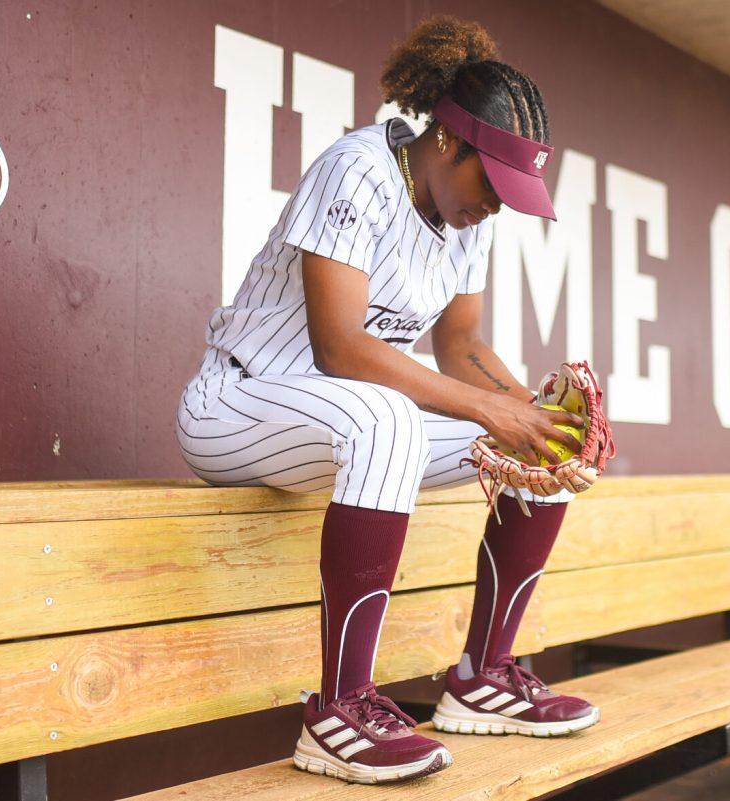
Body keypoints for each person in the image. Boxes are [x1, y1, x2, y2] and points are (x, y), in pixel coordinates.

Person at [176, 15, 597, 785]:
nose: (497, 205)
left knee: (540, 447)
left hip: (344, 432)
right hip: (238, 404)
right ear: (447, 140)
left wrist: (534, 412)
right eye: (492, 183)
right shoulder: (359, 168)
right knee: (386, 415)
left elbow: (461, 346)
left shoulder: (468, 218)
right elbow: (341, 347)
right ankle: (340, 705)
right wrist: (491, 409)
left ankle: (483, 676)